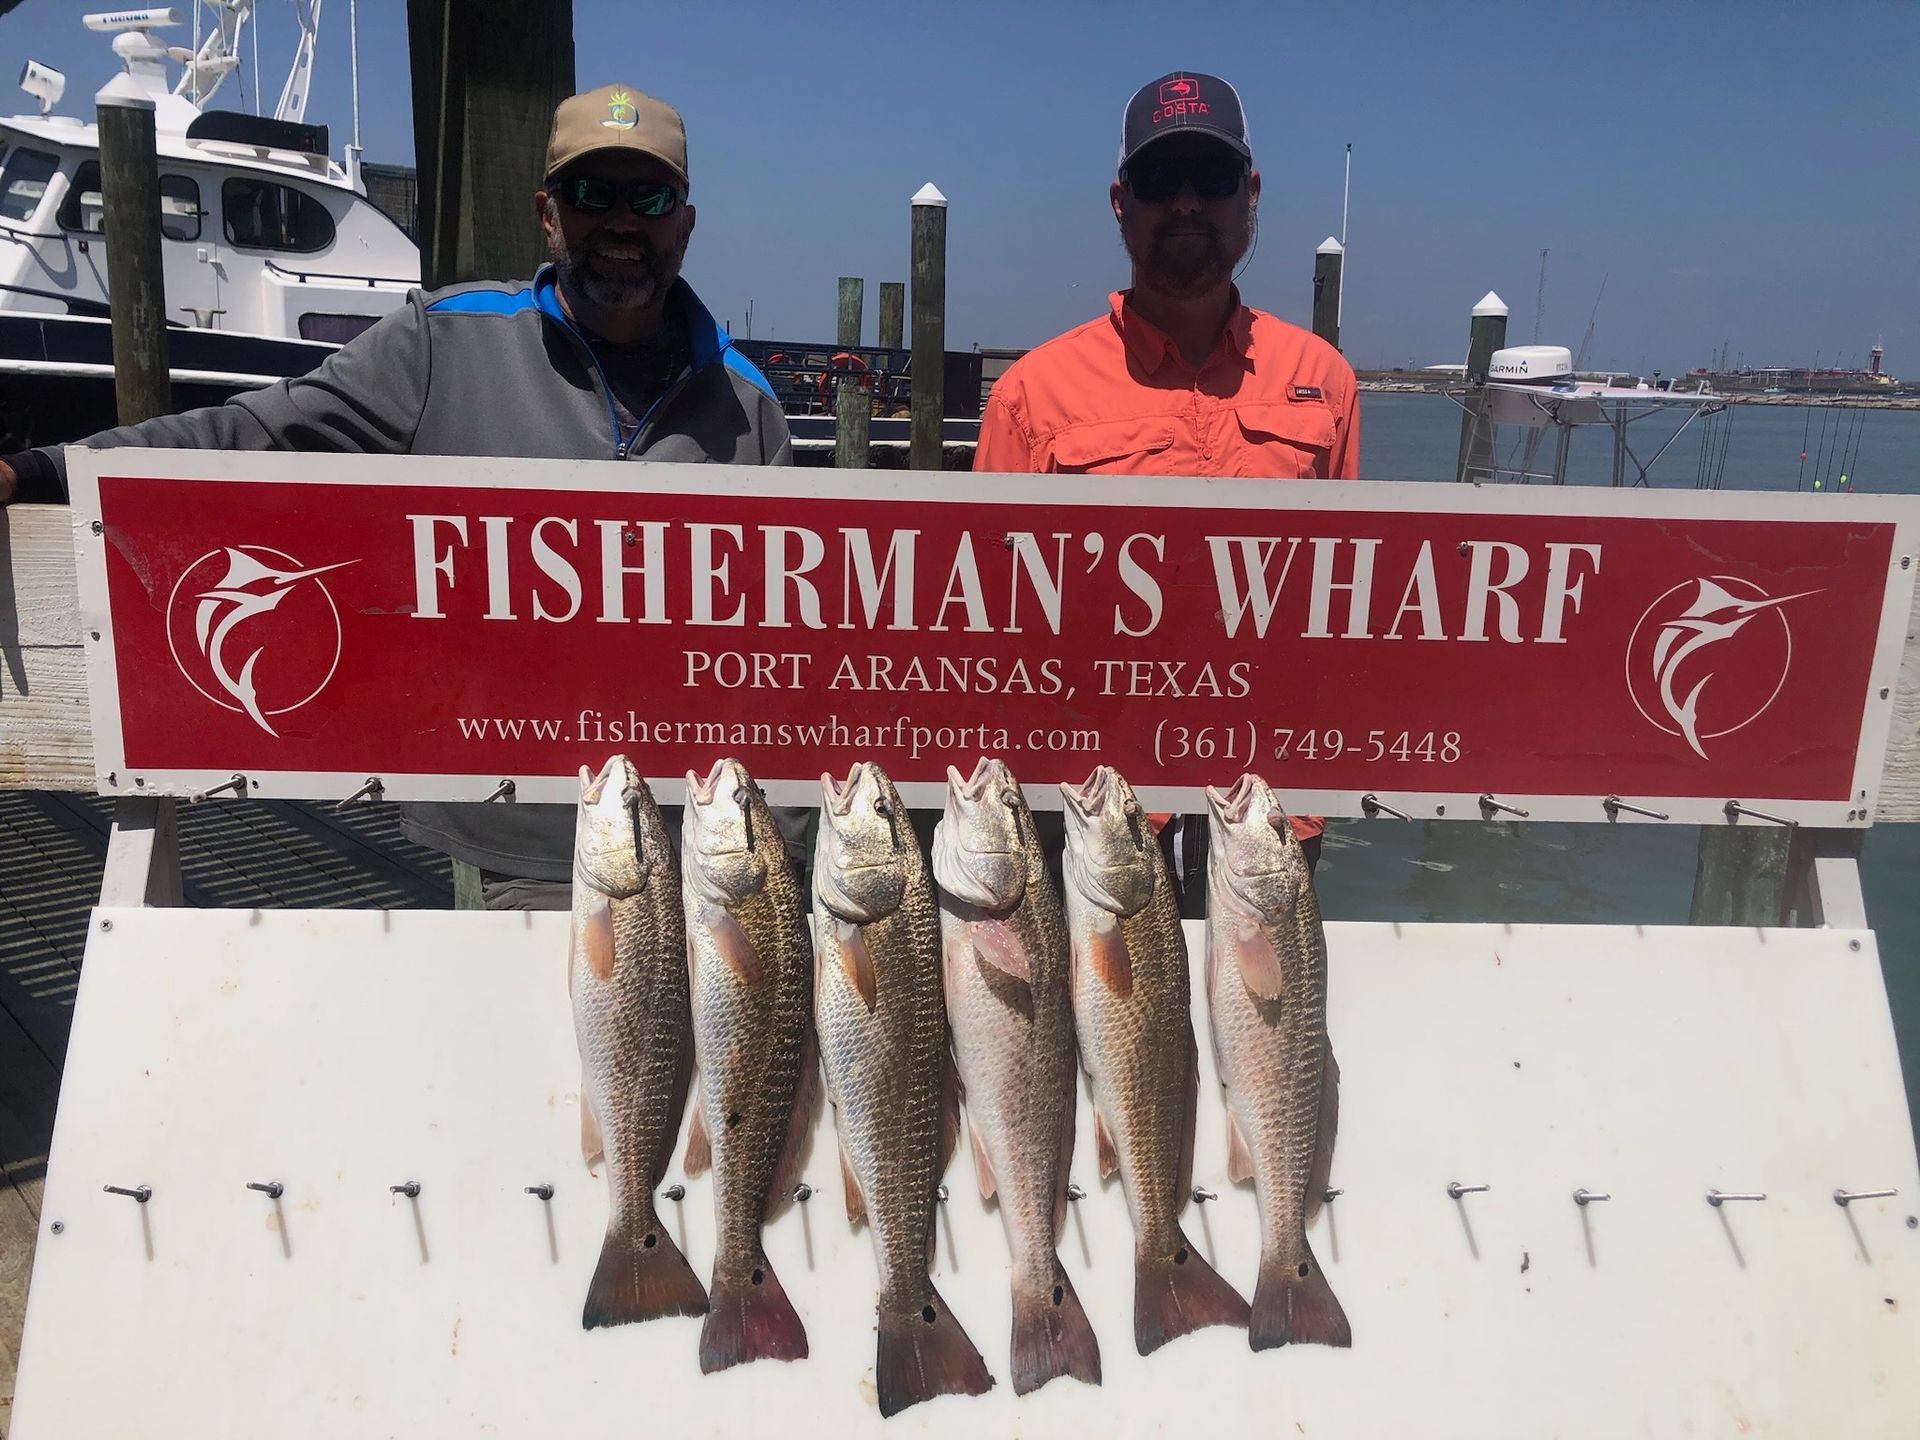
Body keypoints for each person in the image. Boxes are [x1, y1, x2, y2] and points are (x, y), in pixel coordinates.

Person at [0, 84, 795, 910]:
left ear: (685, 225)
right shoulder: (440, 340)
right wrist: (41, 469)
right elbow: (251, 434)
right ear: (549, 215)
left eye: (651, 196)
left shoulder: (752, 411)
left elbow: (794, 666)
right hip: (512, 838)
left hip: (704, 859)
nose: (622, 221)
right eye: (592, 193)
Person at [973, 70, 1358, 912]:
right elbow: (984, 632)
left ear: (1249, 195)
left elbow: (1346, 607)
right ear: (1121, 202)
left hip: (1270, 816)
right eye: (1159, 180)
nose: (1186, 203)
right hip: (1098, 819)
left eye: (1211, 179)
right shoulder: (1031, 393)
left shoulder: (1324, 381)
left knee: (1259, 1040)